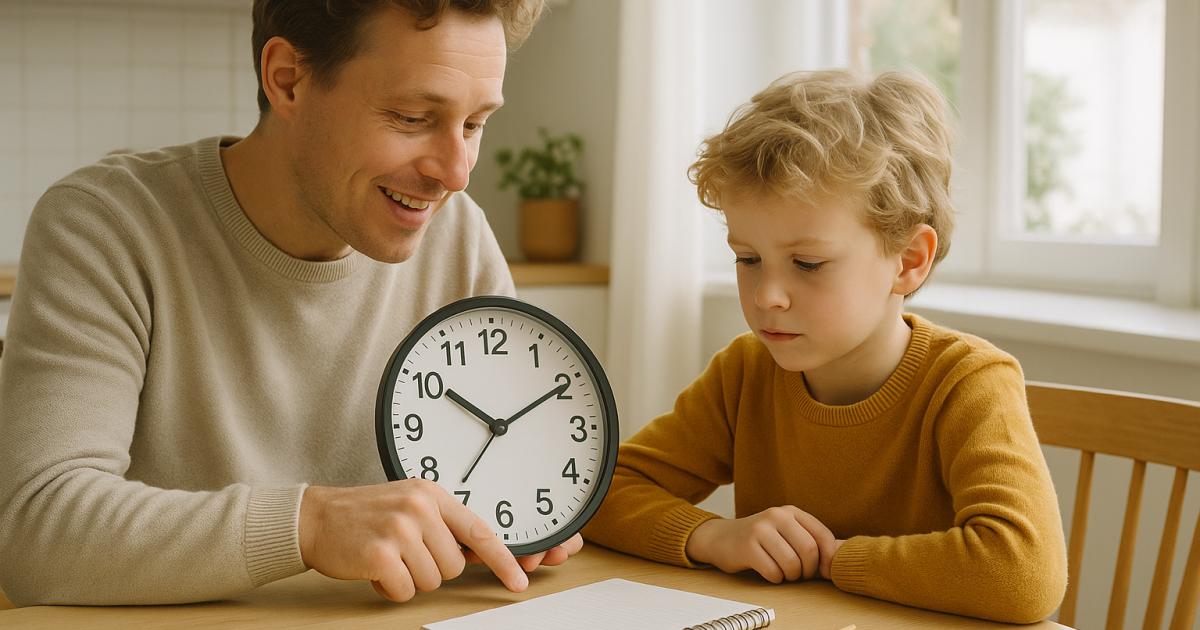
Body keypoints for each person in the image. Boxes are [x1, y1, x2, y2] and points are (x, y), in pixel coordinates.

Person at [0, 0, 584, 607]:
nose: (456, 172)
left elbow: (513, 462)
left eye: (474, 125)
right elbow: (38, 531)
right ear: (287, 79)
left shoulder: (458, 235)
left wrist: (515, 521)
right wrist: (308, 525)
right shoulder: (107, 226)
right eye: (412, 117)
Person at [582, 70, 1068, 623]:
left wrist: (831, 558)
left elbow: (1023, 574)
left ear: (909, 261)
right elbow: (598, 491)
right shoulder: (746, 372)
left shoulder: (968, 382)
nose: (767, 295)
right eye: (747, 258)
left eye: (808, 264)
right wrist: (713, 537)